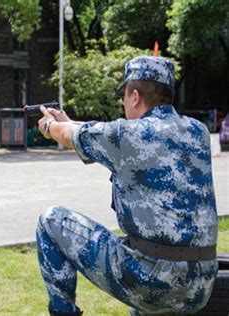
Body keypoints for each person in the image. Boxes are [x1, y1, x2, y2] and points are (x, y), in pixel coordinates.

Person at [35, 56, 218, 315]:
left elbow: (68, 136)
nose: (123, 103)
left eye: (124, 95)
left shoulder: (126, 136)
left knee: (51, 221)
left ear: (134, 96)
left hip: (153, 281)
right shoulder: (198, 132)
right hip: (200, 284)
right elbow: (96, 133)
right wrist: (69, 120)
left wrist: (50, 125)